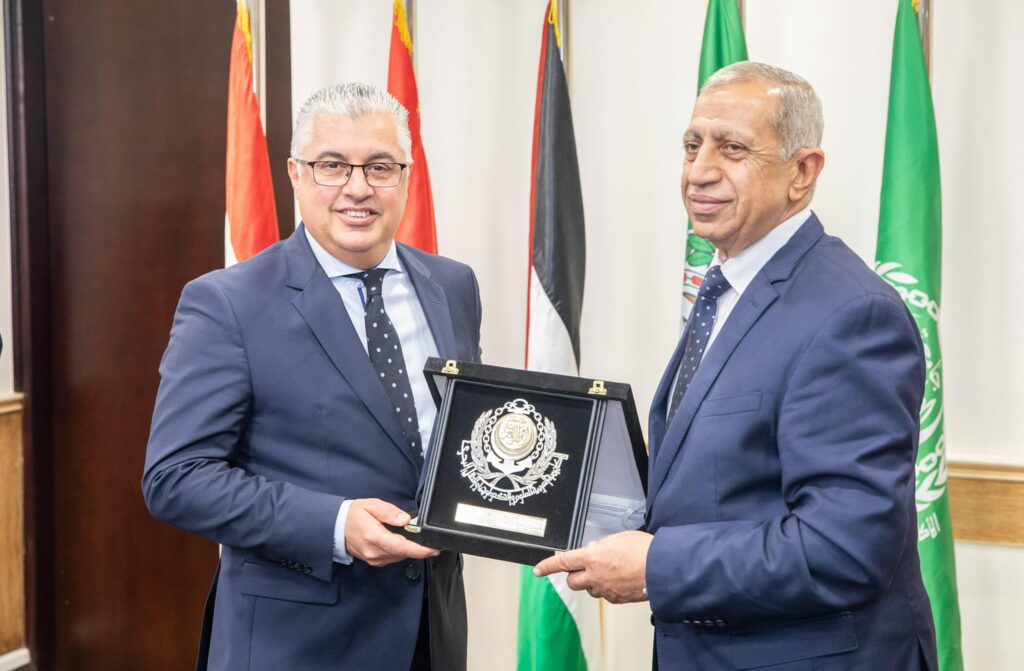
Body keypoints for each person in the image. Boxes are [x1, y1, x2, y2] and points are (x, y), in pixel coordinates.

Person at [535, 61, 938, 669]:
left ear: (803, 172)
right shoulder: (727, 288)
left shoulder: (852, 315)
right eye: (691, 145)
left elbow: (844, 548)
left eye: (732, 148)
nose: (699, 171)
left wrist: (657, 565)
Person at [143, 82, 480, 671]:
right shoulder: (228, 303)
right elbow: (175, 478)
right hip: (296, 644)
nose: (358, 188)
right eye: (332, 165)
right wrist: (335, 524)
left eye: (380, 166)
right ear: (296, 174)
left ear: (406, 176)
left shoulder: (452, 285)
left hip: (432, 635)